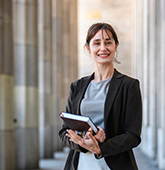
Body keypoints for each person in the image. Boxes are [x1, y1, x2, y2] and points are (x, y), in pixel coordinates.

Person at [59, 22, 142, 170]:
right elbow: (64, 131)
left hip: (116, 164)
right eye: (97, 43)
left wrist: (100, 148)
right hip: (80, 164)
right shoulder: (77, 86)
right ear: (88, 48)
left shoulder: (129, 86)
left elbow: (133, 135)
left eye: (108, 42)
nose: (103, 48)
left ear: (116, 46)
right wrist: (83, 143)